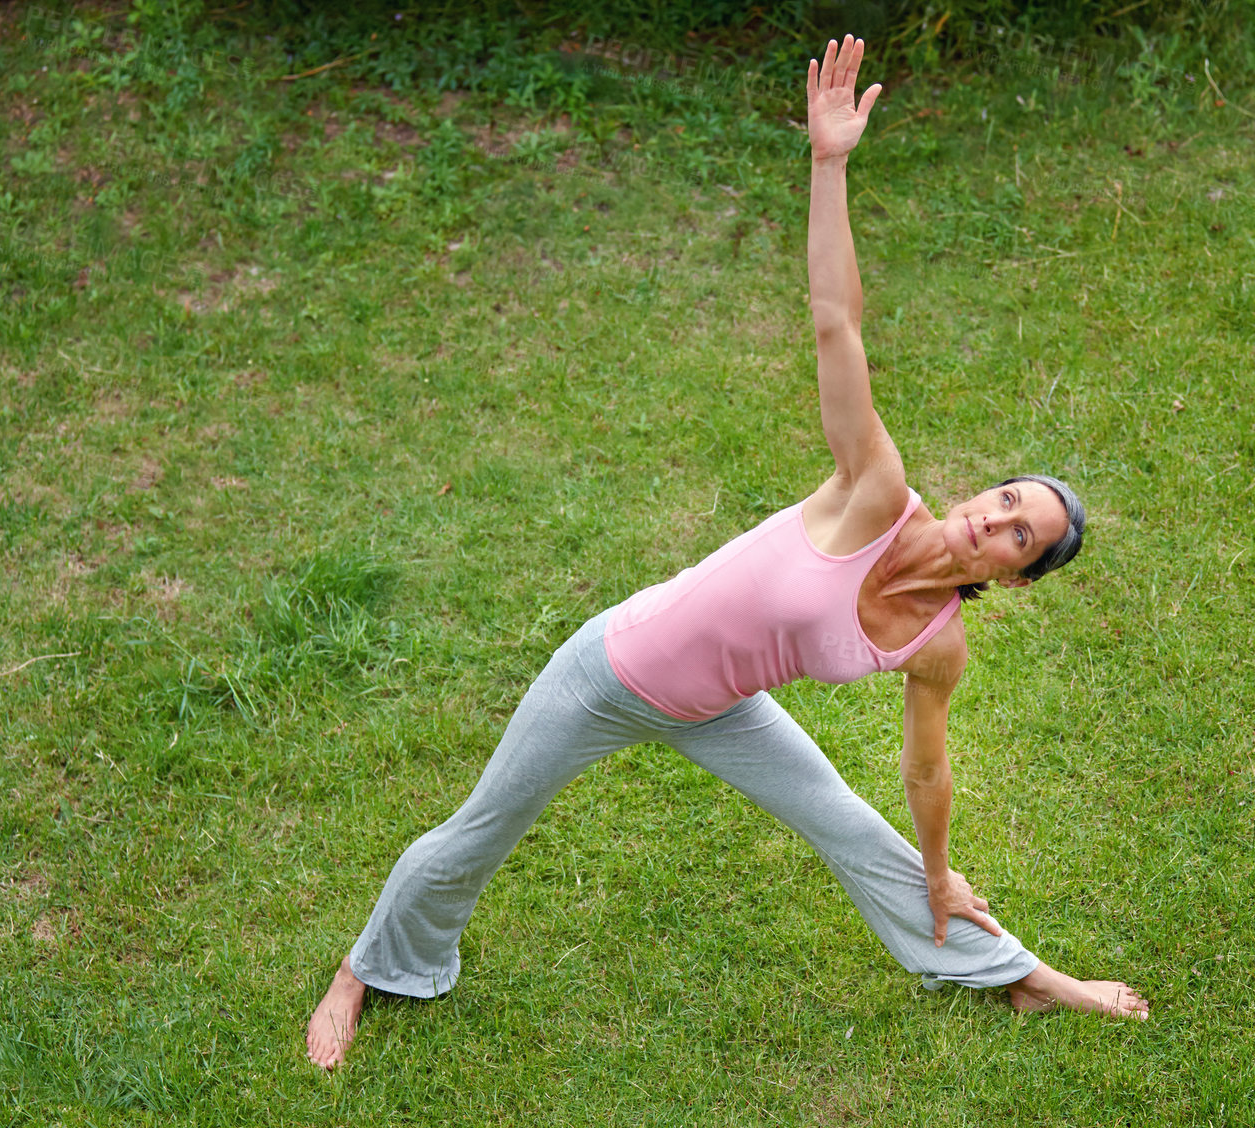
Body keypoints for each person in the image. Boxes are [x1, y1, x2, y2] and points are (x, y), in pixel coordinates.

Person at [307, 35, 1148, 1071]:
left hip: (725, 710)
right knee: (476, 830)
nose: (994, 518)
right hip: (610, 672)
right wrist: (828, 165)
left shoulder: (938, 640)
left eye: (1021, 534)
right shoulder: (874, 491)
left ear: (1016, 574)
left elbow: (924, 767)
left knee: (856, 829)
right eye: (1005, 497)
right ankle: (365, 969)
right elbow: (836, 324)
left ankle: (1024, 977)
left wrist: (939, 869)